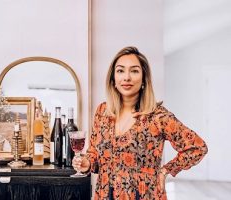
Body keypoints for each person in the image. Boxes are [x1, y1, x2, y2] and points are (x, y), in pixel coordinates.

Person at [72, 46, 208, 200]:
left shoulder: (158, 117)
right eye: (120, 70)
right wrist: (87, 163)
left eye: (134, 71)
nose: (127, 77)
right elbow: (95, 153)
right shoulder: (103, 111)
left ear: (144, 78)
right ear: (113, 78)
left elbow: (198, 147)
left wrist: (166, 170)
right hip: (105, 194)